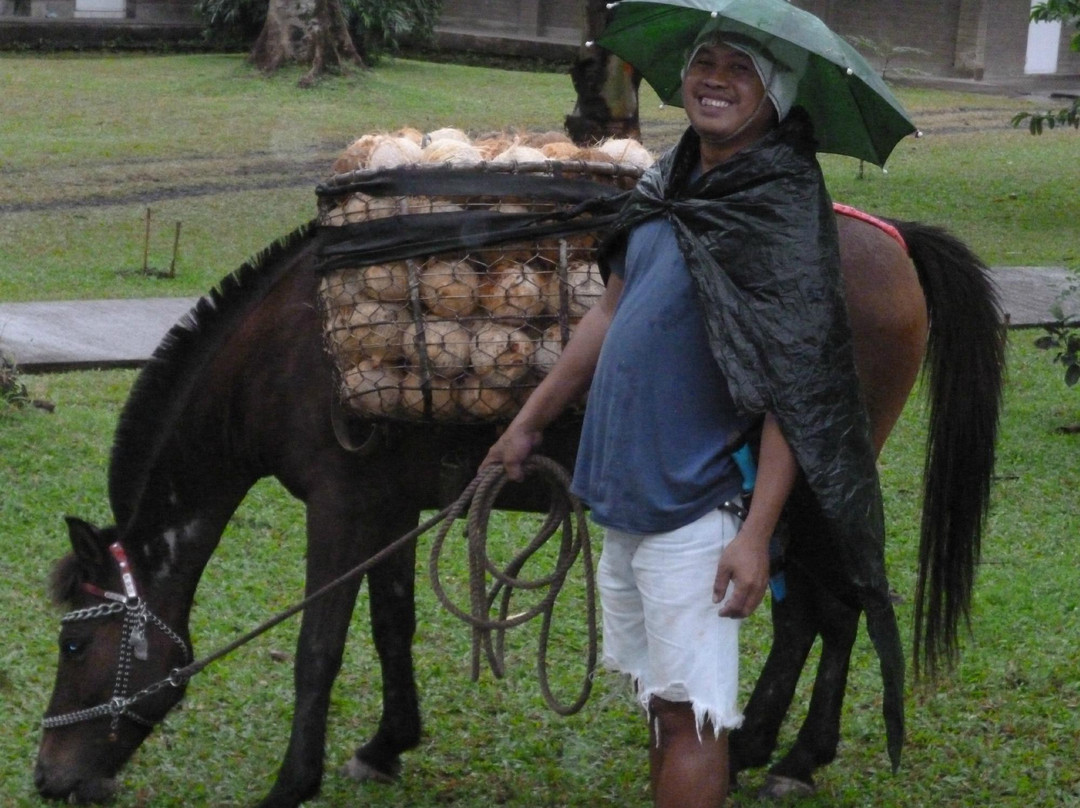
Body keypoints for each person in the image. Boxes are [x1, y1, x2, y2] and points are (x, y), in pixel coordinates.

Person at [482, 28, 889, 808]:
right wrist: (529, 420)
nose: (716, 80)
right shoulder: (670, 178)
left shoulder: (777, 207)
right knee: (664, 705)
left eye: (742, 70)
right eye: (705, 62)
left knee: (692, 720)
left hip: (696, 506)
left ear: (774, 95)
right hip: (632, 493)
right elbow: (615, 306)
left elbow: (798, 390)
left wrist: (755, 536)